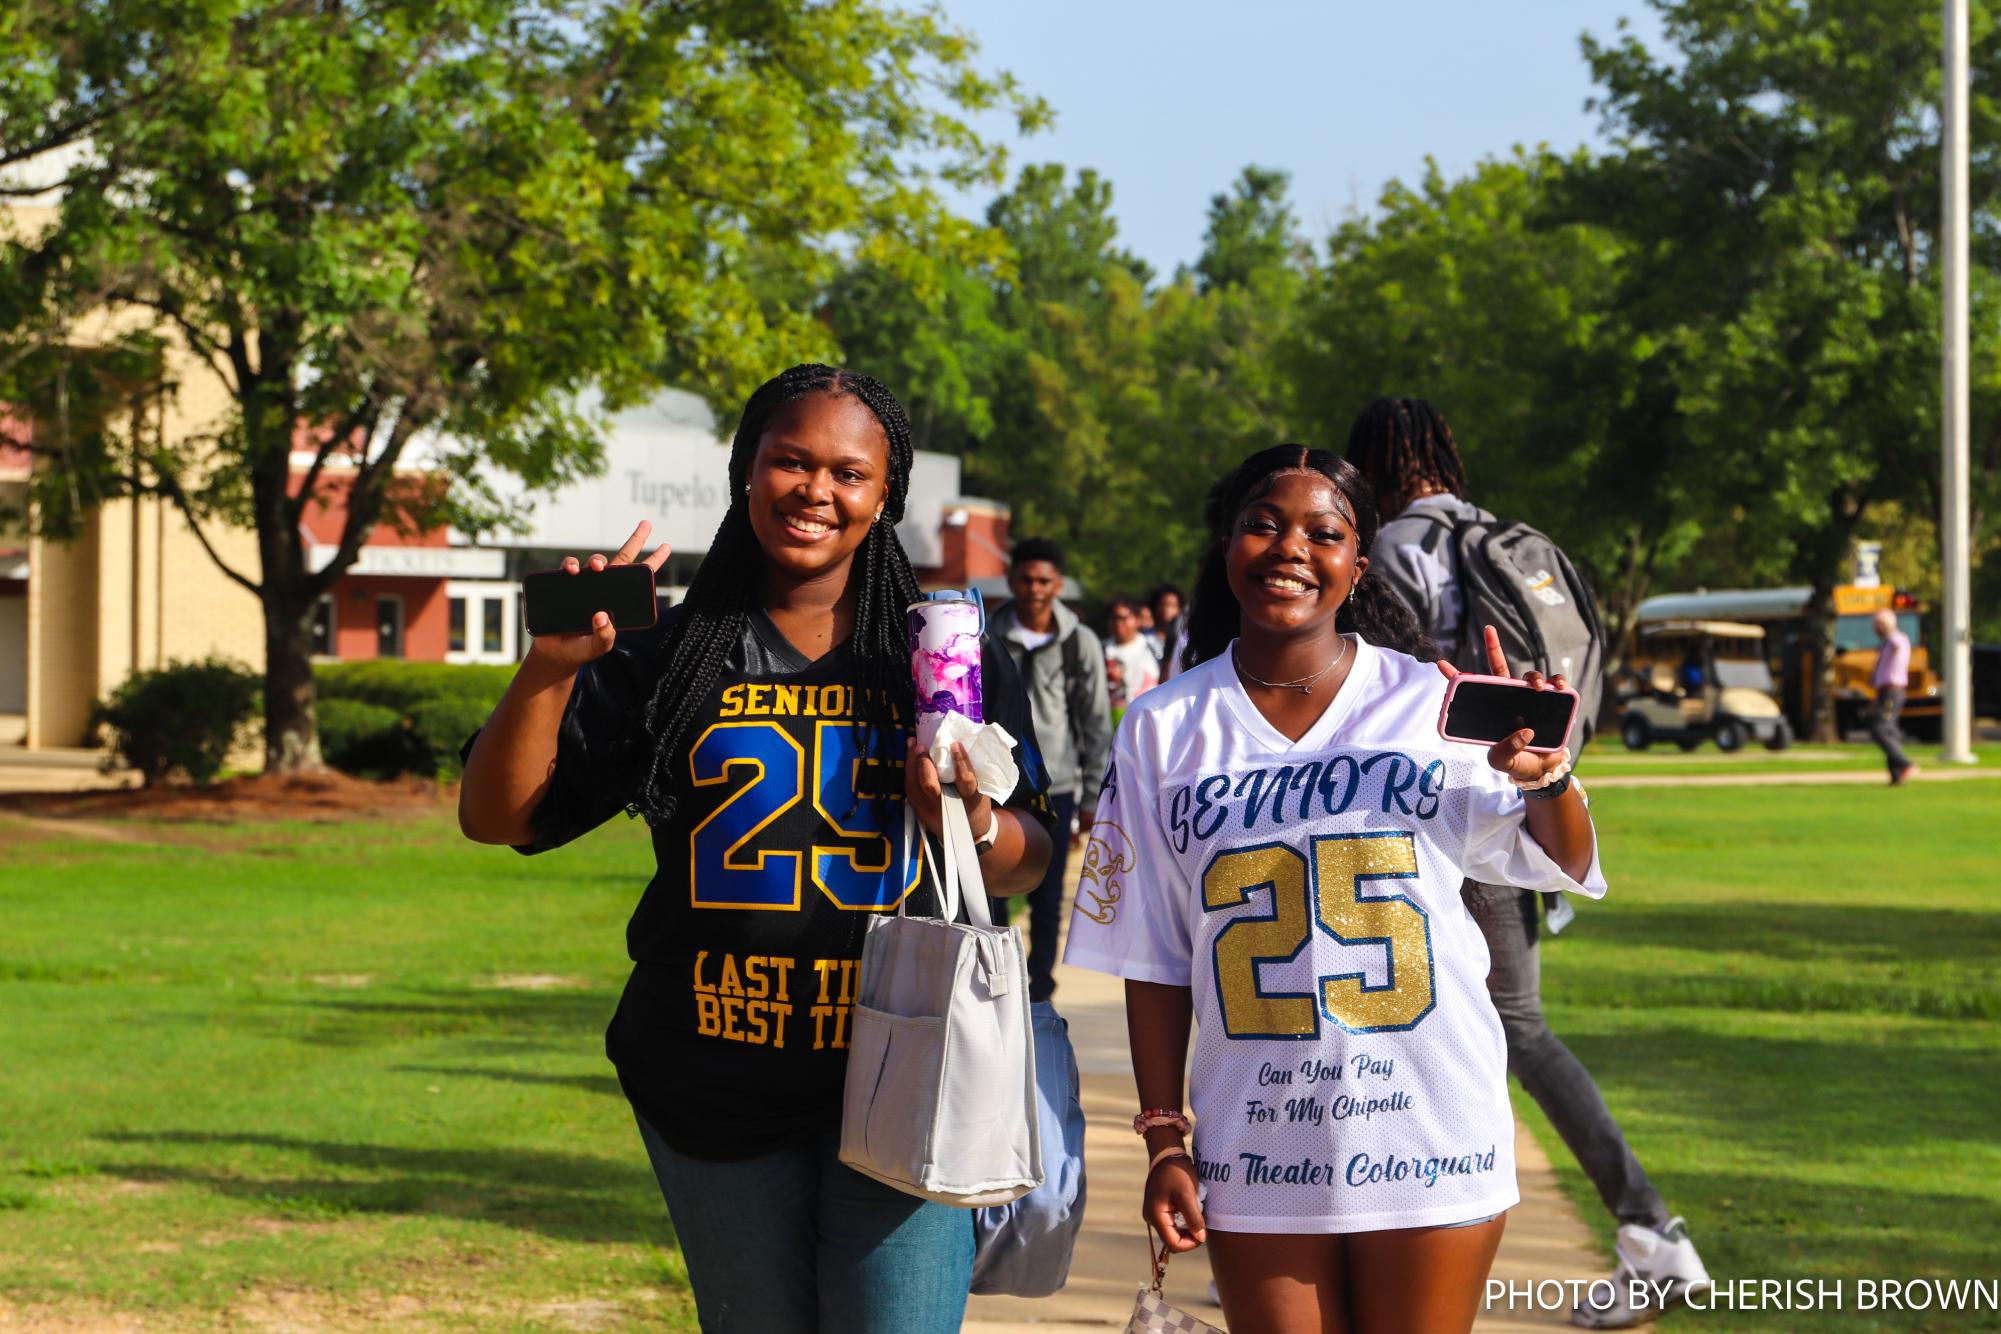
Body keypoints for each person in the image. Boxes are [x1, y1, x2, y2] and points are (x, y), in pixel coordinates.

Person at [458, 364, 1055, 1334]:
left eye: (848, 473)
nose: (817, 489)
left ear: (884, 497)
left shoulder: (950, 660)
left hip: (905, 1070)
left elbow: (1035, 854)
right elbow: (502, 817)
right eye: (791, 460)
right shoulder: (667, 651)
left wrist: (972, 817)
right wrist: (548, 673)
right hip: (712, 1083)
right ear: (746, 471)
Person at [1064, 444, 1604, 1334]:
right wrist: (1165, 1135)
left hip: (1428, 1124)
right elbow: (1153, 952)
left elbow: (1556, 859)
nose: (1289, 548)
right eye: (1262, 525)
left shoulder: (1427, 702)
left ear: (1357, 566)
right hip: (1256, 1141)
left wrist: (1545, 778)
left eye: (1323, 533)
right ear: (1227, 544)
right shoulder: (1161, 725)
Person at [1345, 395, 1711, 1329]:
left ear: (1376, 465)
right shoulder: (1511, 541)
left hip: (1449, 829)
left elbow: (1395, 698)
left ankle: (1650, 1232)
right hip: (1523, 811)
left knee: (1501, 1029)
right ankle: (1645, 1234)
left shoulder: (1394, 551)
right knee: (1508, 1028)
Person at [990, 537, 1113, 1002]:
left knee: (1045, 893)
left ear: (1058, 584)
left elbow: (1096, 723)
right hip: (996, 783)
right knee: (993, 887)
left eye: (1044, 580)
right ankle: (998, 980)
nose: (1034, 589)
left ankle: (1039, 986)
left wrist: (1090, 802)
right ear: (1011, 580)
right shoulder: (987, 632)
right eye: (1026, 579)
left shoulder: (1077, 641)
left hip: (1056, 785)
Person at [1870, 607, 1920, 785]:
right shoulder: (1886, 643)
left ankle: (1905, 764)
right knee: (1890, 731)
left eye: (1877, 625)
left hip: (1893, 691)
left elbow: (1898, 643)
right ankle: (1896, 774)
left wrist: (1888, 628)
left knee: (1881, 729)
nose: (1874, 629)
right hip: (1885, 691)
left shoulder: (1896, 639)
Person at [1105, 596, 1163, 721]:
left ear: (1137, 620)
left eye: (1124, 618)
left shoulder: (1153, 648)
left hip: (1149, 718)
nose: (1119, 623)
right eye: (1115, 618)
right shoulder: (1103, 651)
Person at [1149, 583, 1188, 680]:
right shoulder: (1146, 638)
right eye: (1163, 605)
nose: (1166, 610)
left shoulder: (1183, 638)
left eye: (1172, 605)